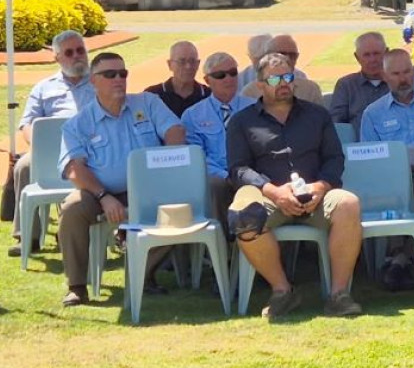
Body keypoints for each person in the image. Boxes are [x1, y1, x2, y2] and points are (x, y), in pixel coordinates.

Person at [226, 52, 363, 320]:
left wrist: (320, 187)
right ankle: (282, 291)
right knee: (242, 214)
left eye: (288, 77)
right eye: (275, 78)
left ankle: (338, 295)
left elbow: (335, 159)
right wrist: (273, 191)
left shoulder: (318, 115)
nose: (283, 83)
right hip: (268, 192)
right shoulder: (242, 121)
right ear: (260, 84)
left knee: (348, 203)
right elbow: (239, 169)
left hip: (315, 193)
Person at [56, 52, 185, 306]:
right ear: (93, 81)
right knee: (72, 208)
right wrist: (104, 197)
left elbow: (175, 130)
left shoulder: (147, 103)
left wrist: (167, 163)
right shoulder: (78, 124)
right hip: (100, 192)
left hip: (149, 188)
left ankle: (142, 273)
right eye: (110, 74)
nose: (119, 79)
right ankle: (77, 286)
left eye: (123, 74)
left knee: (181, 206)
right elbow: (74, 168)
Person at [8, 29, 95, 257]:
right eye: (69, 52)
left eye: (80, 50)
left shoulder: (100, 82)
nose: (77, 56)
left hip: (92, 151)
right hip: (51, 151)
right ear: (57, 57)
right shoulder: (43, 87)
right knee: (24, 166)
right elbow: (27, 124)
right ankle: (28, 236)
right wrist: (38, 146)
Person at [358, 48, 414, 250]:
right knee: (390, 195)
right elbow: (370, 159)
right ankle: (413, 256)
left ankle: (407, 255)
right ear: (384, 76)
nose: (403, 79)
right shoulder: (373, 113)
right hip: (392, 180)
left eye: (407, 72)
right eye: (396, 74)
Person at [181, 52, 255, 228]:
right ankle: (224, 244)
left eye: (232, 72)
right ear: (207, 80)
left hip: (251, 172)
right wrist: (226, 176)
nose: (228, 78)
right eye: (220, 75)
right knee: (215, 185)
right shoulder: (192, 115)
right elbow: (197, 156)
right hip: (217, 176)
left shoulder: (254, 107)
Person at [329, 31, 390, 137]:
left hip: (394, 147)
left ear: (387, 53)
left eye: (376, 53)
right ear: (357, 58)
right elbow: (336, 125)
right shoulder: (346, 86)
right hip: (358, 149)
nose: (372, 60)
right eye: (366, 55)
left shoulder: (399, 84)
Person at [240, 35, 323, 104]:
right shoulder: (250, 92)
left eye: (293, 55)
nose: (288, 59)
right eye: (282, 54)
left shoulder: (310, 90)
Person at [144, 40, 210, 117]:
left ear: (198, 64)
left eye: (192, 61)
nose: (188, 66)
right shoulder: (152, 95)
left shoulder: (208, 96)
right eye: (182, 61)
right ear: (170, 64)